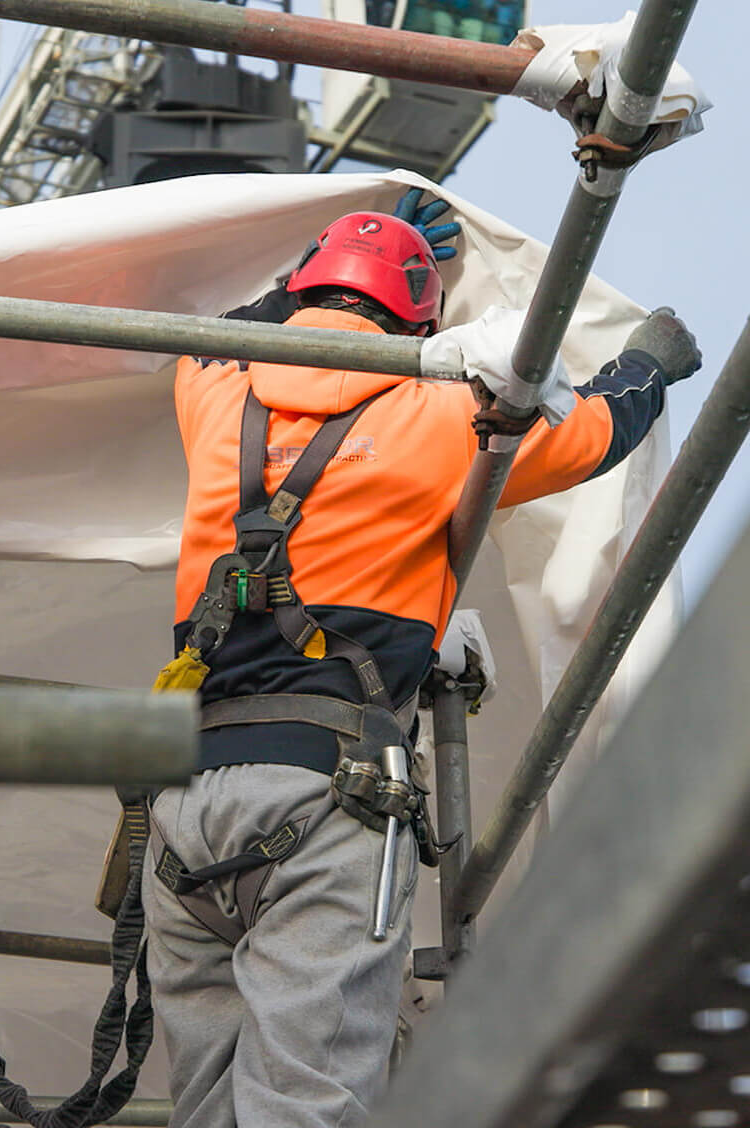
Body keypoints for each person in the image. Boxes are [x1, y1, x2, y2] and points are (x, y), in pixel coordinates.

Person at [141, 191, 701, 1128]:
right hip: (325, 798)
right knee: (306, 1105)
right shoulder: (448, 415)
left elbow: (236, 327)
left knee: (207, 1109)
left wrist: (324, 267)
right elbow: (592, 434)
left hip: (185, 809)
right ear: (421, 321)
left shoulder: (214, 391)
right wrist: (648, 365)